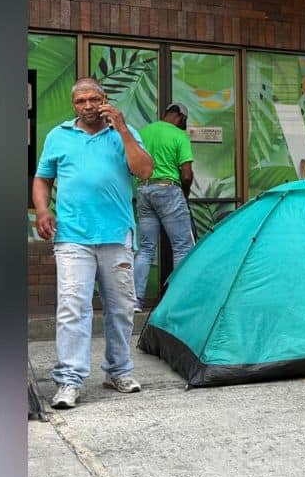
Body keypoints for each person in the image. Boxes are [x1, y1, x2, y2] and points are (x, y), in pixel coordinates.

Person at [33, 78, 155, 409]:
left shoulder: (122, 132)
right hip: (72, 236)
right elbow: (43, 178)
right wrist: (43, 210)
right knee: (73, 307)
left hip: (116, 235)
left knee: (120, 308)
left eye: (93, 99)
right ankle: (69, 381)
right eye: (80, 101)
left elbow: (144, 171)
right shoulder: (59, 136)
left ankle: (118, 371)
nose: (87, 106)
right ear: (74, 105)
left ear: (105, 100)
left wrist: (124, 129)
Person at [133, 102, 195, 311]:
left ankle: (136, 300)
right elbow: (186, 174)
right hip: (168, 189)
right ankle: (177, 301)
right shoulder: (179, 136)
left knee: (146, 248)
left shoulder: (144, 133)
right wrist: (184, 194)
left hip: (144, 189)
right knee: (182, 247)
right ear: (181, 118)